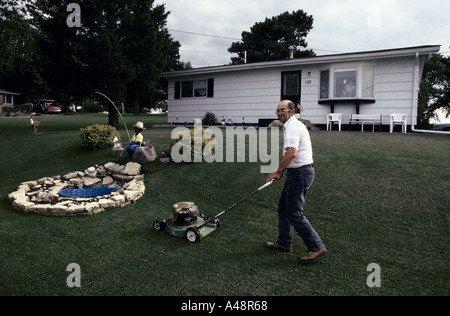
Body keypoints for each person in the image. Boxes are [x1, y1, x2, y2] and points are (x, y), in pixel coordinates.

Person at [266, 100, 327, 265]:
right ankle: (285, 243)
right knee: (283, 209)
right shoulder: (291, 125)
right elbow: (291, 155)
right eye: (277, 110)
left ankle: (316, 247)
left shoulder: (293, 126)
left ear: (291, 111)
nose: (279, 113)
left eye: (282, 110)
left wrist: (278, 171)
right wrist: (282, 171)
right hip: (296, 172)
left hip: (301, 173)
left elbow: (292, 153)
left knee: (294, 212)